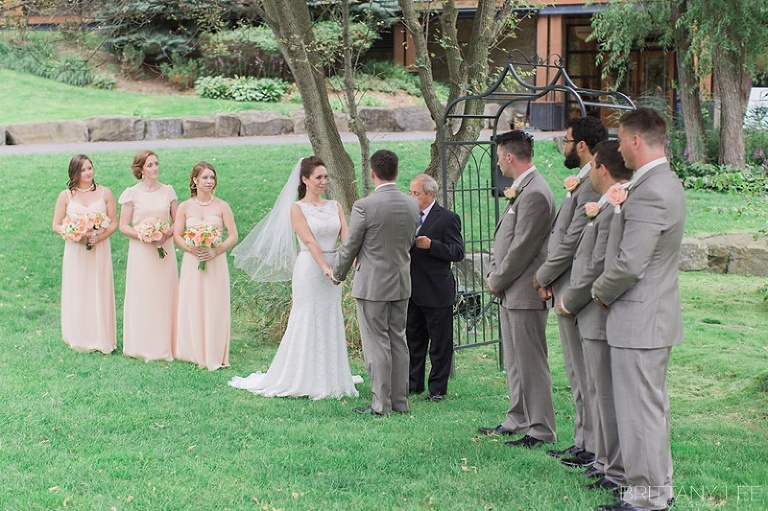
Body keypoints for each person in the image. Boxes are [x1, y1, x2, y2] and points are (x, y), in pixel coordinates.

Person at [592, 108, 686, 511]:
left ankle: (647, 499)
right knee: (649, 408)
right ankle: (657, 488)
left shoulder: (650, 191)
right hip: (652, 315)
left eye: (620, 139)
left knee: (639, 412)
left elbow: (630, 263)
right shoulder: (664, 181)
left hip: (639, 317)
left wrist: (600, 291)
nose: (617, 150)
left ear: (635, 140)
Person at [229, 156, 362, 399]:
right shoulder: (297, 208)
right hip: (310, 269)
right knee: (307, 317)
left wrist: (352, 265)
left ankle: (330, 375)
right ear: (305, 179)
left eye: (325, 177)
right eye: (318, 177)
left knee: (330, 315)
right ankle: (302, 376)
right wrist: (326, 268)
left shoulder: (335, 206)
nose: (323, 181)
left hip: (335, 267)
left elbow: (347, 239)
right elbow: (310, 241)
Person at [557, 140, 633, 495]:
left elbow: (598, 264)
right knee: (594, 390)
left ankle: (613, 466)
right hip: (588, 312)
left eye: (595, 167)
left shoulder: (614, 207)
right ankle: (604, 461)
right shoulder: (602, 206)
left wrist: (569, 299)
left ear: (603, 169)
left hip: (596, 312)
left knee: (604, 394)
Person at [534, 116, 607, 468]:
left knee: (585, 372)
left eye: (565, 141)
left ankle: (592, 445)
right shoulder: (582, 181)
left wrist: (543, 276)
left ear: (580, 145)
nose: (563, 147)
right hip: (564, 284)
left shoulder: (592, 183)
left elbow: (571, 240)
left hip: (576, 290)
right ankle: (583, 439)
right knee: (576, 372)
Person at [480, 130, 557, 447]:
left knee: (531, 362)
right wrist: (492, 272)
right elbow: (505, 240)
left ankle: (541, 429)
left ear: (509, 157)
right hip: (510, 291)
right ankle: (518, 418)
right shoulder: (522, 189)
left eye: (498, 157)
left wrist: (497, 280)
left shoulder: (535, 192)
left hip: (525, 291)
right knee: (515, 361)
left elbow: (524, 247)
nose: (497, 163)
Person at [332, 149, 420, 416]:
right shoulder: (412, 204)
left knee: (376, 343)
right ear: (397, 171)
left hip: (372, 285)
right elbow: (409, 242)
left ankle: (381, 403)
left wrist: (338, 273)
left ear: (372, 174)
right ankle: (400, 401)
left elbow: (351, 245)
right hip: (402, 282)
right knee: (398, 340)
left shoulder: (364, 206)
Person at [173, 162, 238, 370]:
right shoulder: (185, 207)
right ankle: (192, 350)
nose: (209, 181)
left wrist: (216, 251)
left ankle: (214, 350)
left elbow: (233, 235)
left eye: (212, 177)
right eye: (205, 178)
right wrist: (190, 248)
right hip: (192, 262)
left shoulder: (222, 206)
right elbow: (176, 235)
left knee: (214, 303)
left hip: (215, 262)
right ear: (195, 180)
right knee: (193, 301)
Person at [407, 174, 465, 402]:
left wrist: (433, 245)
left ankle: (437, 389)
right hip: (412, 289)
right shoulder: (409, 216)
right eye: (411, 193)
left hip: (436, 290)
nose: (412, 197)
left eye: (416, 193)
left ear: (430, 194)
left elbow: (457, 252)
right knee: (414, 340)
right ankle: (413, 384)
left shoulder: (448, 218)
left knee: (440, 344)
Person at [52, 154, 118, 354]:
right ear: (75, 172)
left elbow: (114, 222)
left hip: (99, 249)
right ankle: (79, 335)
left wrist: (99, 236)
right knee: (79, 288)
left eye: (90, 168)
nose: (88, 172)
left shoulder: (105, 193)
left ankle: (101, 336)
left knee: (98, 287)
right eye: (83, 169)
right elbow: (56, 225)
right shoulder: (66, 196)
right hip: (76, 250)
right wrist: (76, 235)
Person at [118, 150, 178, 361]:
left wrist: (165, 234)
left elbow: (178, 221)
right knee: (143, 294)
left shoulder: (168, 191)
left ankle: (166, 343)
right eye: (150, 165)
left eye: (156, 164)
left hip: (164, 252)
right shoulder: (131, 194)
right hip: (141, 253)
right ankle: (140, 344)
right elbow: (123, 226)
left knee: (163, 293)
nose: (155, 168)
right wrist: (144, 235)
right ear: (141, 169)